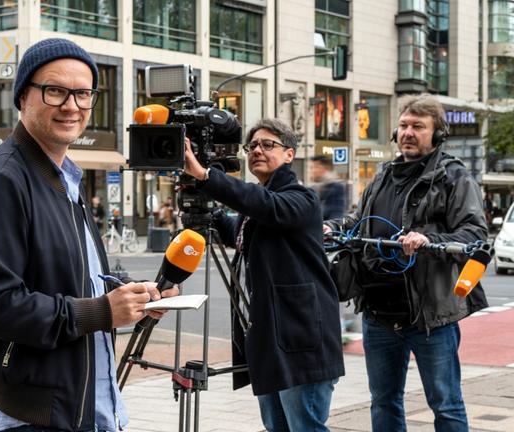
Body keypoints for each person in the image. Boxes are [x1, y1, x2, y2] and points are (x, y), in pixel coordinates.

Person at [0, 38, 178, 432]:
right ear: (23, 97)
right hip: (38, 417)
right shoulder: (2, 181)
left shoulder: (65, 178)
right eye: (55, 90)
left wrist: (134, 296)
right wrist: (102, 312)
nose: (72, 106)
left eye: (83, 93)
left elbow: (76, 276)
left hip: (88, 406)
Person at [323, 94, 488, 432]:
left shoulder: (453, 176)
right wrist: (332, 227)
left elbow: (474, 232)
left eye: (418, 126)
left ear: (437, 134)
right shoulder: (383, 174)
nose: (409, 132)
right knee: (383, 401)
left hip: (428, 316)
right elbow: (358, 219)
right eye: (404, 126)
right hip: (378, 314)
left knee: (446, 403)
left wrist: (429, 240)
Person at [184, 118, 344, 431]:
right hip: (269, 341)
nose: (257, 150)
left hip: (301, 342)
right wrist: (209, 211)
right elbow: (241, 233)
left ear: (289, 154)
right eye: (252, 146)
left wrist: (207, 176)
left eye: (268, 144)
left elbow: (269, 207)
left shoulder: (302, 198)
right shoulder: (259, 200)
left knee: (305, 428)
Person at [310, 155, 346, 220]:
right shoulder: (314, 188)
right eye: (311, 168)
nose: (313, 171)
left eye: (316, 167)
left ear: (324, 169)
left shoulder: (336, 187)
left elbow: (337, 214)